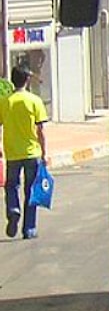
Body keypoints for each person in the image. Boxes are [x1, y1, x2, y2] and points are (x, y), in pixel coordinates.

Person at [0, 66, 48, 239]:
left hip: (12, 153)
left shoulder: (5, 102)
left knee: (11, 186)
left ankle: (13, 210)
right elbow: (40, 130)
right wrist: (44, 153)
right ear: (26, 80)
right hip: (32, 152)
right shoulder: (34, 101)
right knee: (31, 191)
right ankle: (29, 228)